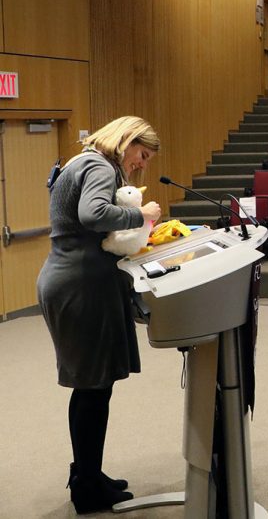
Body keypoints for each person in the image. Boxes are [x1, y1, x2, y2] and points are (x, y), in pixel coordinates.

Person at [38, 116, 161, 513]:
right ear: (126, 141)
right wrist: (140, 216)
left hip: (76, 279)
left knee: (94, 386)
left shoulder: (84, 162)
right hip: (79, 284)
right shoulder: (98, 165)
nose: (141, 164)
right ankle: (87, 487)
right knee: (92, 388)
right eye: (142, 154)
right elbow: (93, 214)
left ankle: (87, 473)